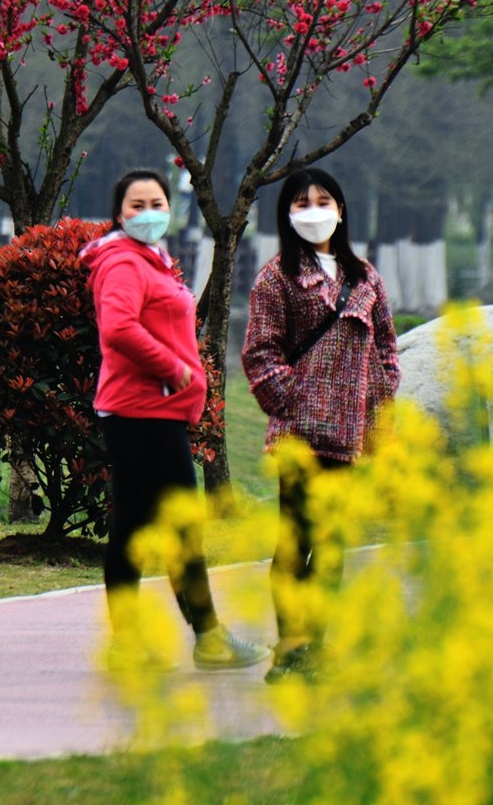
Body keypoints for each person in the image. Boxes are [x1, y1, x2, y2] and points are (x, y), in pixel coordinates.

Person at [81, 168, 270, 671]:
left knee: (130, 529)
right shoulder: (123, 262)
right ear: (118, 215)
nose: (148, 213)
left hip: (144, 412)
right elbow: (118, 328)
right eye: (136, 205)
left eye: (156, 203)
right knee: (180, 529)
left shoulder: (150, 261)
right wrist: (176, 370)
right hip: (144, 414)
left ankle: (130, 643)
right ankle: (208, 637)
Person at [242, 167, 400, 682]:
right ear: (287, 214)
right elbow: (261, 353)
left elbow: (386, 348)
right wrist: (296, 401)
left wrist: (378, 396)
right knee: (295, 544)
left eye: (324, 199)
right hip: (299, 437)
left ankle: (318, 649)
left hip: (351, 438)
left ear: (341, 208)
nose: (314, 210)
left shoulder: (365, 277)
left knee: (332, 548)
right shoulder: (276, 277)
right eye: (302, 202)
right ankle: (289, 650)